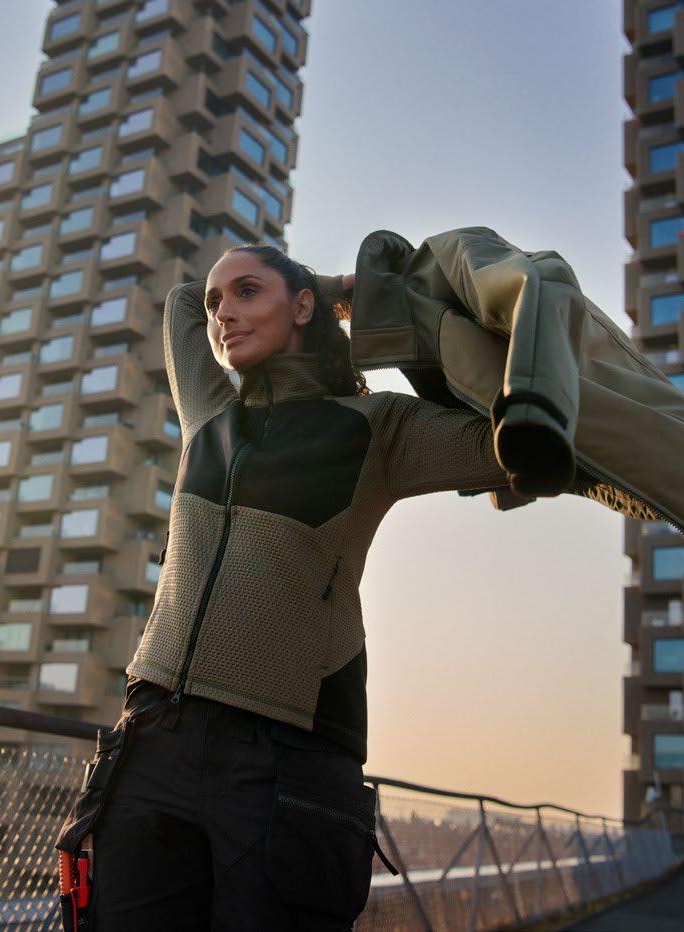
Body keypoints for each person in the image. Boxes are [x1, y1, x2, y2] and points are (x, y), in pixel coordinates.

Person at [87, 241, 515, 930]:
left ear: (304, 307)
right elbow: (180, 304)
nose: (221, 312)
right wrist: (312, 288)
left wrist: (337, 294)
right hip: (154, 737)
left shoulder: (378, 428)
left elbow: (508, 441)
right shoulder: (209, 413)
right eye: (218, 302)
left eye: (247, 292)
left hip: (286, 757)